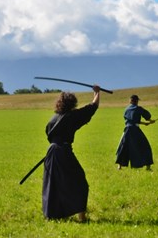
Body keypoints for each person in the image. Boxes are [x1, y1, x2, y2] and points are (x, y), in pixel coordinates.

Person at [41, 85, 101, 222]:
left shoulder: (52, 119)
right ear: (72, 103)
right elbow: (93, 107)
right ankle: (81, 217)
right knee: (79, 181)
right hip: (64, 151)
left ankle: (52, 215)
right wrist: (97, 92)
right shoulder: (71, 117)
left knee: (53, 183)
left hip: (51, 152)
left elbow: (48, 136)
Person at [115, 95, 155, 170]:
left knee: (123, 147)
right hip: (135, 130)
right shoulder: (138, 108)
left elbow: (131, 121)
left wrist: (144, 123)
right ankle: (148, 167)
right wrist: (150, 120)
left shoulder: (126, 109)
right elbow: (147, 115)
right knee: (145, 146)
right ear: (136, 101)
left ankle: (119, 166)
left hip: (127, 130)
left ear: (130, 101)